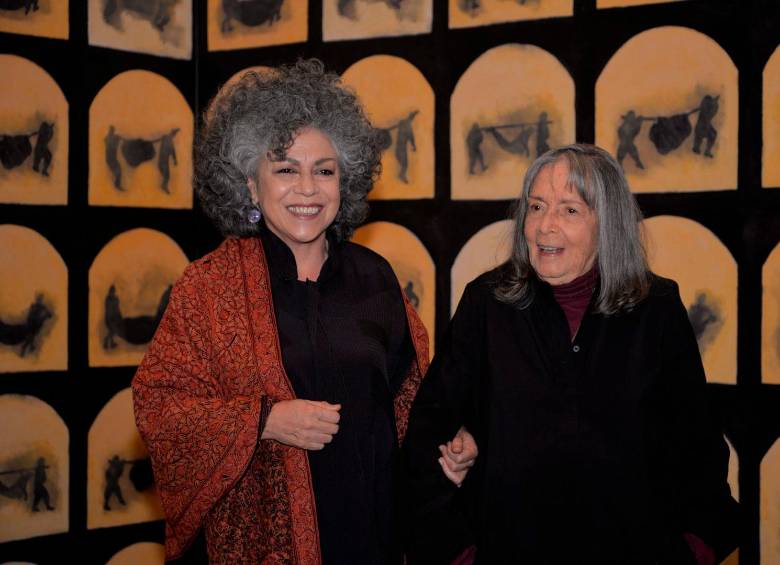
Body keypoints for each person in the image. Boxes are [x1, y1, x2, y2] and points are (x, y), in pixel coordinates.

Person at [132, 59, 474, 564]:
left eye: (325, 170)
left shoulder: (375, 278)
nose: (308, 189)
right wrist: (264, 421)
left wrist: (448, 453)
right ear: (251, 184)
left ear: (346, 179)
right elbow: (159, 408)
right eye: (286, 170)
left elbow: (413, 407)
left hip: (371, 540)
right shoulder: (208, 287)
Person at [403, 144, 739, 564]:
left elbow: (698, 447)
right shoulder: (487, 304)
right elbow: (425, 435)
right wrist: (459, 552)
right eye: (537, 206)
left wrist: (694, 550)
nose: (545, 227)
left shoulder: (657, 308)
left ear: (607, 223)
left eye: (569, 210)